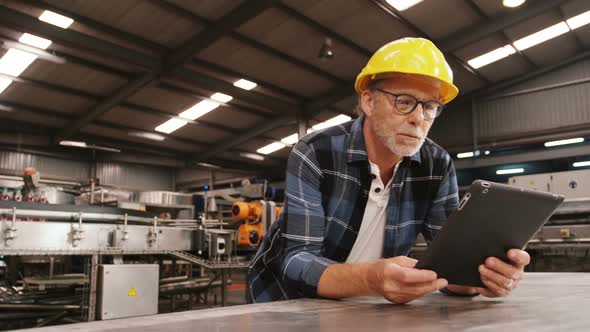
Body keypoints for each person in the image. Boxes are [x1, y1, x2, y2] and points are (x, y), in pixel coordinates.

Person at [248, 37, 530, 304]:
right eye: (404, 102)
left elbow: (449, 265)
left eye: (430, 106)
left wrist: (482, 277)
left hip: (365, 308)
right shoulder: (315, 152)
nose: (419, 118)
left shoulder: (437, 165)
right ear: (368, 101)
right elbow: (297, 261)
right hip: (282, 302)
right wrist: (372, 279)